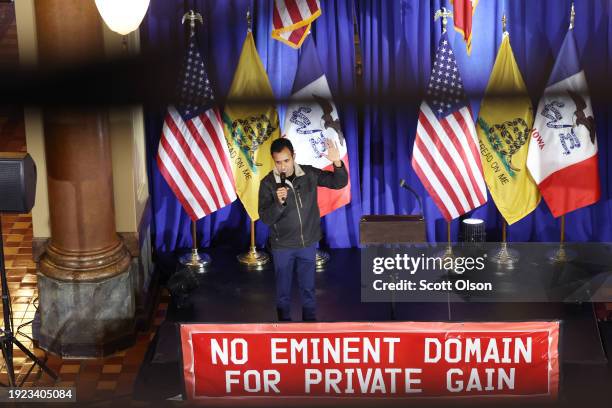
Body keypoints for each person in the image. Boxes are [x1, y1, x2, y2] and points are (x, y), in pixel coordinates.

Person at [258, 137, 348, 322]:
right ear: (273, 161)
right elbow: (266, 218)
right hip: (282, 246)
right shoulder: (268, 183)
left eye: (286, 160)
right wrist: (278, 203)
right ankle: (284, 328)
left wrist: (336, 162)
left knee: (308, 289)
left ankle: (310, 328)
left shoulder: (308, 173)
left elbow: (338, 183)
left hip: (307, 243)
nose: (283, 166)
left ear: (293, 156)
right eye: (278, 162)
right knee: (283, 292)